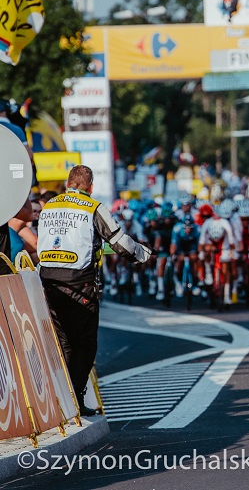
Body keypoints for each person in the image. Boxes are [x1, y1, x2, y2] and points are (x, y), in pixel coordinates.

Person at [37, 165, 151, 416]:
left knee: (65, 342)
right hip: (80, 283)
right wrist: (142, 255)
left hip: (47, 283)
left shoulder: (50, 206)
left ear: (68, 183)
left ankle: (64, 402)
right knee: (85, 344)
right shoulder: (93, 208)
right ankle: (74, 400)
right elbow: (120, 242)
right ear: (90, 187)